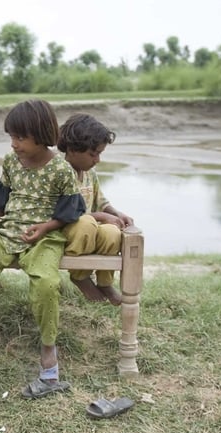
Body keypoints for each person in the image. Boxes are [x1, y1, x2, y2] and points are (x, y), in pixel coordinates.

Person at [0, 99, 85, 399]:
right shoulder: (12, 162)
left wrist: (45, 227)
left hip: (45, 236)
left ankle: (48, 348)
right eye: (11, 137)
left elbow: (71, 210)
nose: (13, 144)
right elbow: (2, 199)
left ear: (41, 135)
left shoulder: (60, 168)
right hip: (9, 230)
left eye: (20, 138)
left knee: (46, 281)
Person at [58, 114, 135, 306]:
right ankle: (80, 276)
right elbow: (63, 213)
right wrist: (100, 216)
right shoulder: (59, 173)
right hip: (65, 232)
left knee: (111, 232)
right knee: (86, 223)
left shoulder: (89, 173)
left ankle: (105, 282)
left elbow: (100, 200)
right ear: (72, 150)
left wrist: (115, 213)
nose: (98, 160)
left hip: (89, 232)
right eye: (93, 154)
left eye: (100, 154)